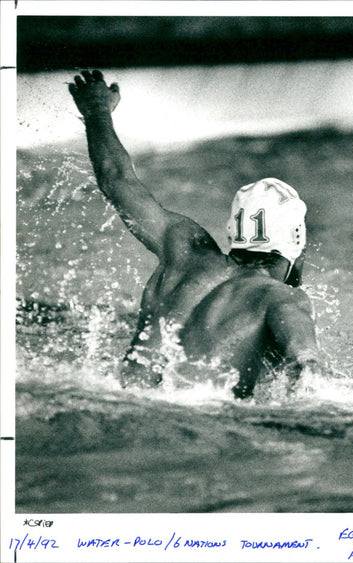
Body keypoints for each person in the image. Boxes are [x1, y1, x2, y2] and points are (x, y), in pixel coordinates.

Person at [68, 69, 323, 398]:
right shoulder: (280, 297)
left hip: (115, 396)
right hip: (189, 420)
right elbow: (306, 368)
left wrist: (97, 111)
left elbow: (115, 178)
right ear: (297, 245)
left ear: (234, 232)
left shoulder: (182, 245)